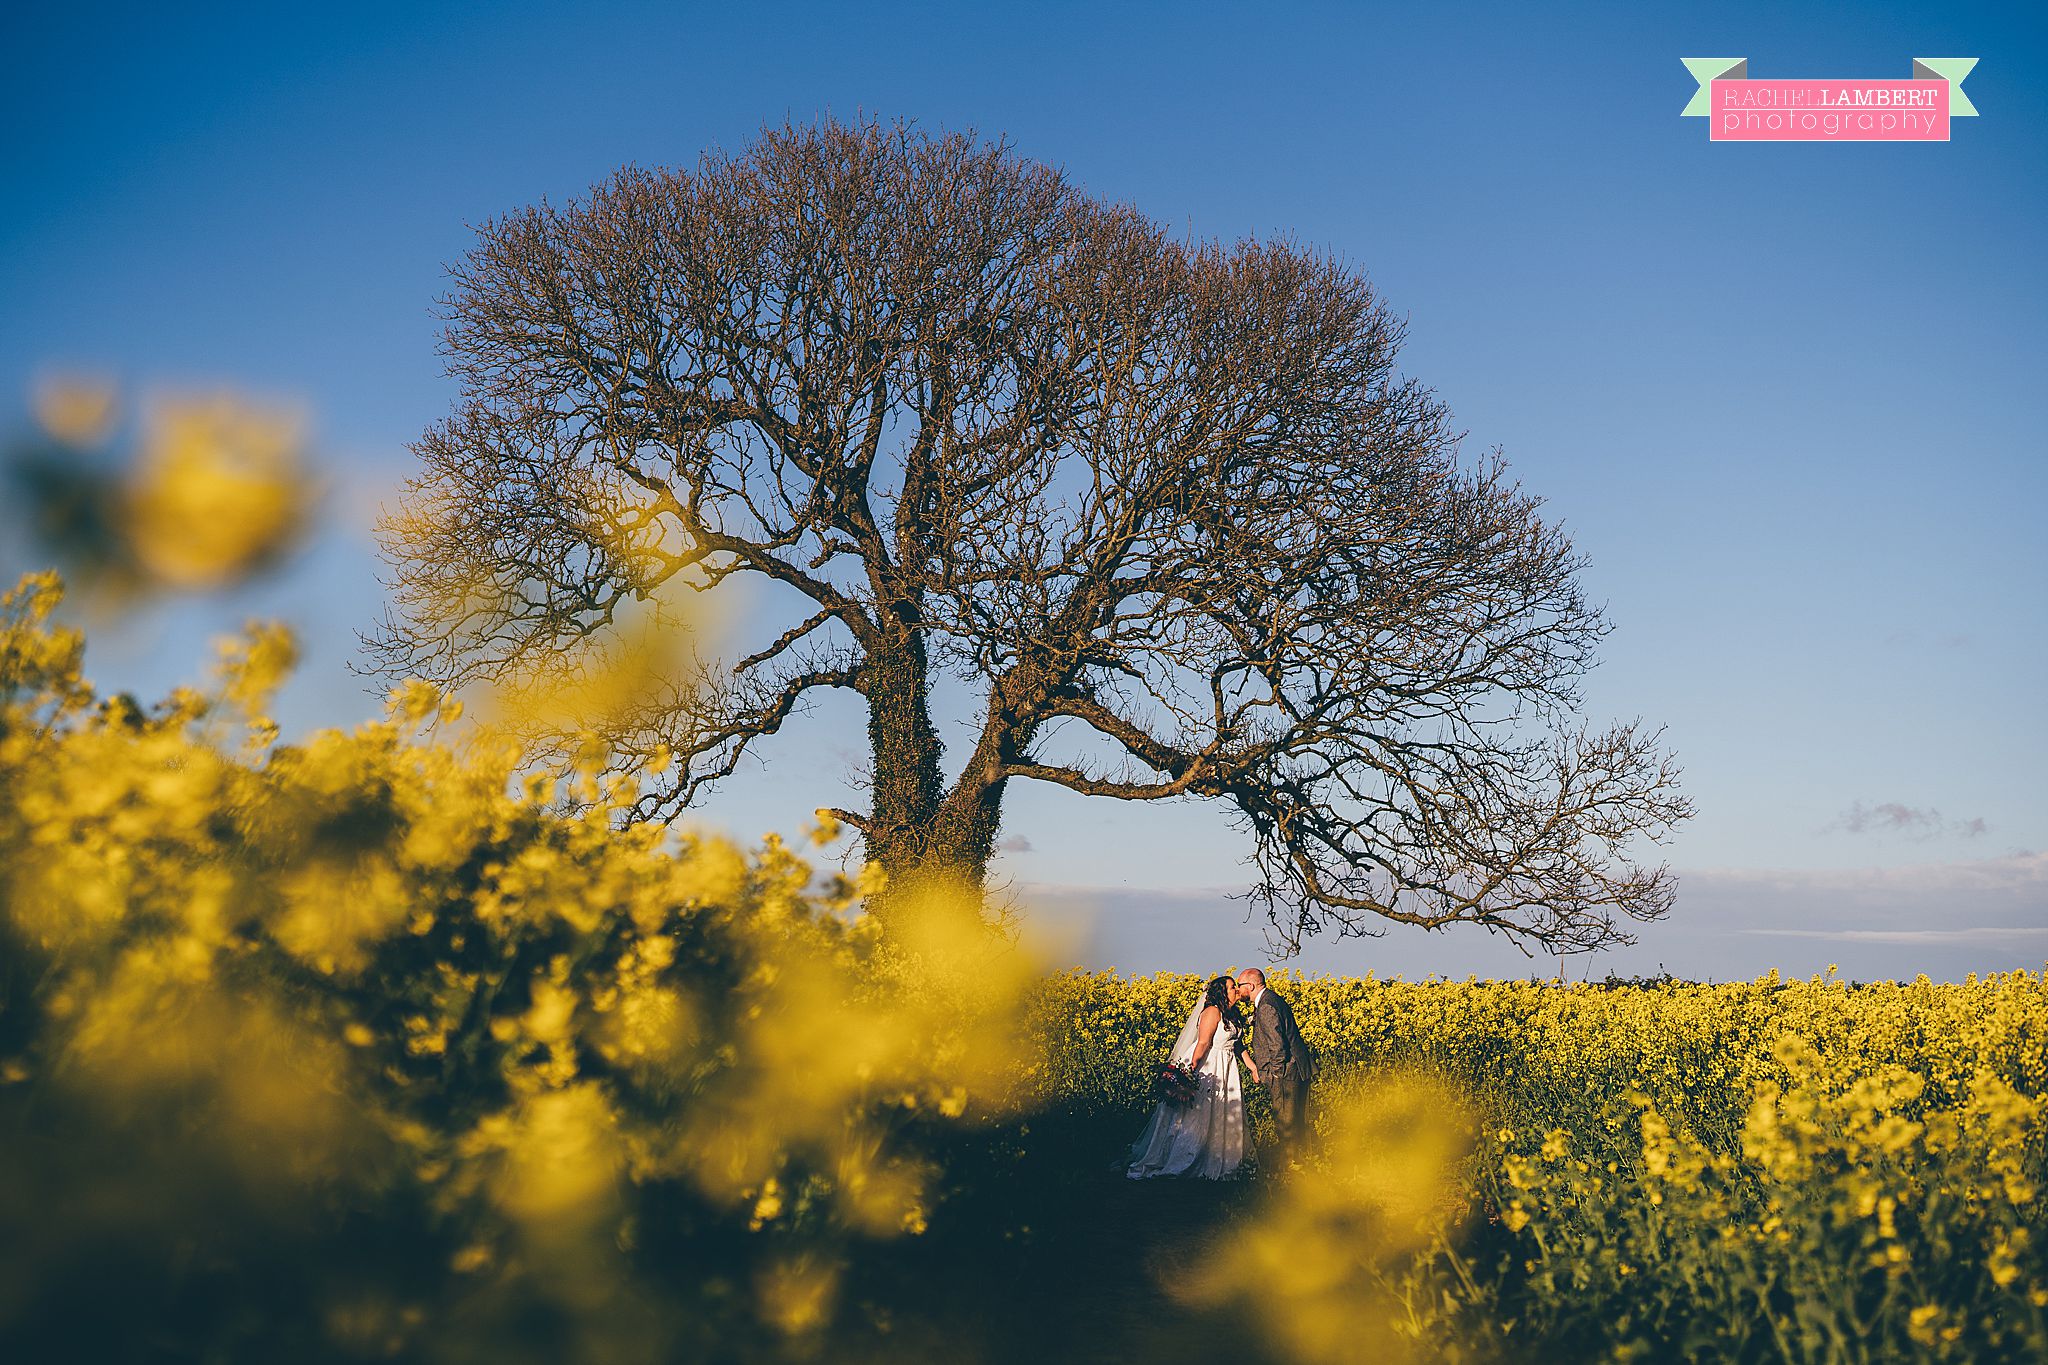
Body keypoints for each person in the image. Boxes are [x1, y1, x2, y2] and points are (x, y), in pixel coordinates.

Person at [1125, 975, 1248, 1180]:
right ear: (1221, 993)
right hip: (1210, 1065)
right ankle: (1187, 1157)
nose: (1236, 989)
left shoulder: (1232, 1014)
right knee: (1198, 1114)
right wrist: (1189, 1073)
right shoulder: (1212, 1012)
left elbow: (1236, 1045)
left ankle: (1220, 1159)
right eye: (1232, 987)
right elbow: (1202, 1044)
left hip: (1227, 1067)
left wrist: (1252, 1068)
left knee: (1221, 1112)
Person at [1235, 967, 1317, 1166]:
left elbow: (1276, 1044)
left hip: (1286, 1072)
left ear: (1251, 985)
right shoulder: (1271, 999)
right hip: (1295, 1067)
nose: (1238, 990)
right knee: (1294, 1118)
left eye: (1240, 985)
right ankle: (1299, 1161)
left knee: (1286, 1119)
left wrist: (1275, 1075)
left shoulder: (1266, 1006)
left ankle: (1292, 1165)